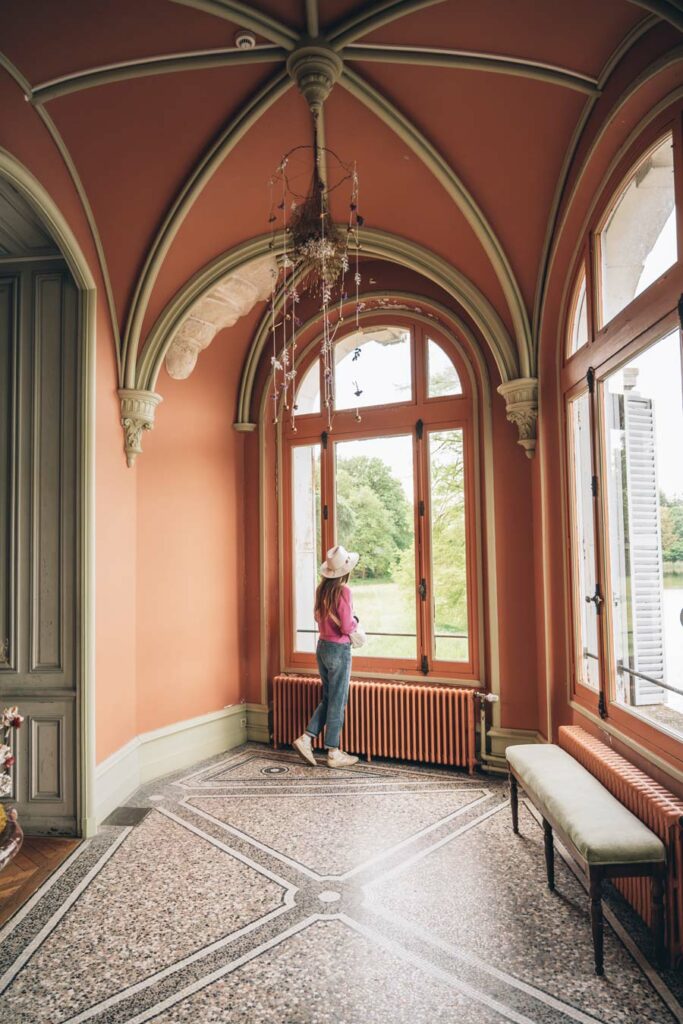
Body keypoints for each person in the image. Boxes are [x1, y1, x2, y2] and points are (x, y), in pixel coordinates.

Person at [293, 545, 360, 768]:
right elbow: (347, 626)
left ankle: (306, 738)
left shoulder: (321, 590)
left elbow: (317, 616)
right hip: (339, 650)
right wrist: (356, 623)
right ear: (346, 570)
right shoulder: (344, 591)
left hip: (322, 646)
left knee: (329, 697)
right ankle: (333, 752)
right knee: (338, 700)